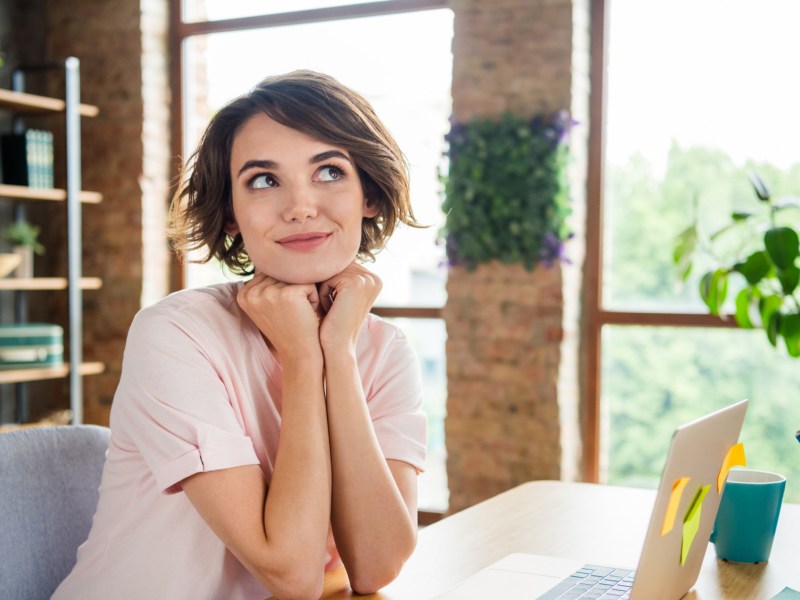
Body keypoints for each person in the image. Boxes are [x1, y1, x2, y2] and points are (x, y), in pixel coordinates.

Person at [53, 70, 427, 600]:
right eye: (264, 180)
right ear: (230, 213)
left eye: (328, 171)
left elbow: (375, 566)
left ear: (368, 194)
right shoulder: (174, 335)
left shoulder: (383, 349)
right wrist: (302, 359)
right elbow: (292, 574)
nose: (300, 206)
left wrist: (337, 355)